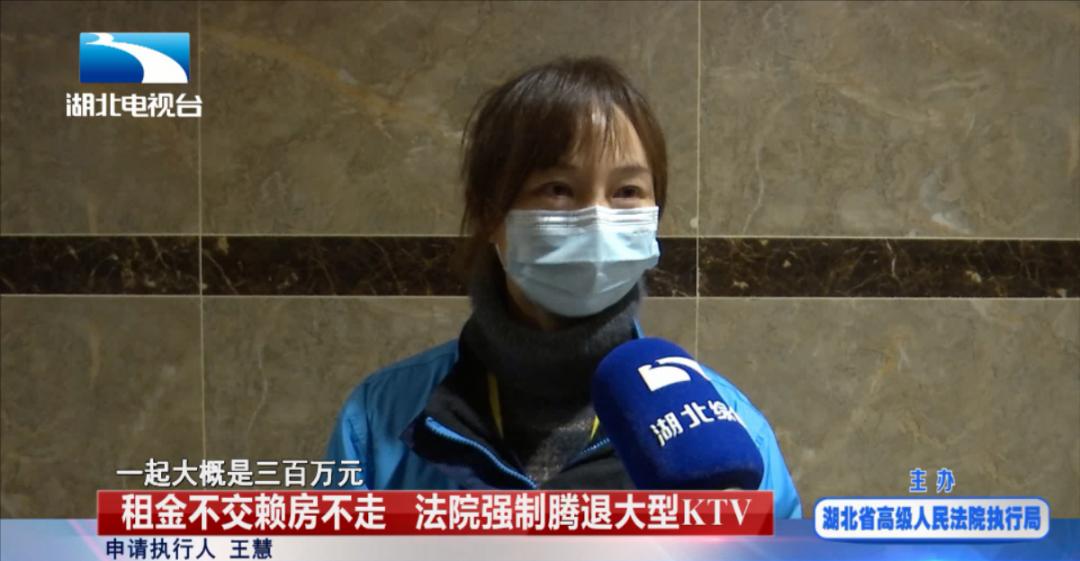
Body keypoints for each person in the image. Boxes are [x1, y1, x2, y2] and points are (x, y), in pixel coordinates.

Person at [325, 56, 802, 518]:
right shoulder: (378, 419)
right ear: (490, 212)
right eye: (558, 188)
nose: (597, 219)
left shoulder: (726, 429)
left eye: (627, 192)